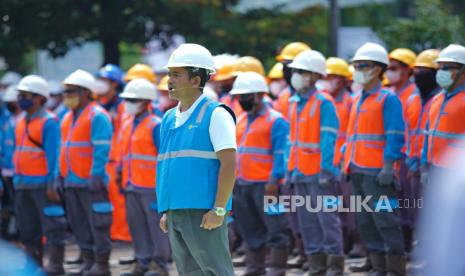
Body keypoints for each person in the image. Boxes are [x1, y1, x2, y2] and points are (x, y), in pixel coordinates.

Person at [156, 43, 236, 276]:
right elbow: (169, 166)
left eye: (177, 75)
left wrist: (219, 209)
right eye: (169, 74)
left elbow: (229, 164)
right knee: (189, 272)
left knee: (215, 271)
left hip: (203, 212)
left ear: (196, 80)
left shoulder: (217, 114)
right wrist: (166, 210)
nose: (169, 80)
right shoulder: (168, 118)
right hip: (175, 211)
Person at [344, 42, 406, 275]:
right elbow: (352, 137)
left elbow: (395, 136)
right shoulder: (358, 98)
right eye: (356, 65)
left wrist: (389, 166)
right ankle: (378, 266)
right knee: (365, 221)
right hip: (358, 169)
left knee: (386, 220)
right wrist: (346, 162)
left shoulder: (387, 99)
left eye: (364, 65)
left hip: (378, 172)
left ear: (378, 69)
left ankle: (395, 269)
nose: (358, 69)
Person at [287, 49, 344, 275]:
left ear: (314, 76)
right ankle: (317, 265)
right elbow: (292, 142)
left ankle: (334, 267)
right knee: (308, 222)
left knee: (327, 220)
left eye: (301, 72)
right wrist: (291, 169)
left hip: (320, 173)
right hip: (300, 172)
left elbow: (329, 140)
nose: (296, 76)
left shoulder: (324, 103)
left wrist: (326, 170)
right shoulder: (294, 102)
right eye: (296, 71)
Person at [231, 72, 290, 275]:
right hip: (243, 184)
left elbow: (281, 154)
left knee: (276, 227)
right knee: (249, 228)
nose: (242, 100)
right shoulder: (240, 120)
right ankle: (254, 267)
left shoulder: (276, 121)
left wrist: (274, 180)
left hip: (267, 185)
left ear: (258, 95)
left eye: (245, 96)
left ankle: (276, 268)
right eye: (239, 97)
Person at [60, 69, 113, 276]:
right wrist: (59, 173)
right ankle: (88, 262)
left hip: (91, 181)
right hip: (72, 181)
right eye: (65, 92)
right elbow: (62, 148)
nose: (67, 96)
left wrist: (96, 174)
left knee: (98, 224)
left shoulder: (97, 115)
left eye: (71, 91)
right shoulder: (66, 117)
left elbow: (102, 149)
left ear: (85, 92)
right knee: (79, 224)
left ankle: (102, 265)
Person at [13, 75, 66, 274]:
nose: (20, 99)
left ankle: (55, 265)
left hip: (43, 185)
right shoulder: (20, 121)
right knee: (27, 229)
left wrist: (53, 183)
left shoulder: (49, 122)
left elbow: (55, 154)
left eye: (24, 95)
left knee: (53, 226)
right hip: (22, 184)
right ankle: (33, 265)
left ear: (38, 97)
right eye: (20, 95)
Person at [117, 78, 170, 276]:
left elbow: (165, 157)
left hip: (151, 186)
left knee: (157, 228)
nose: (128, 103)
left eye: (133, 99)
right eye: (127, 99)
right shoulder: (128, 124)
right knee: (137, 227)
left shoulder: (155, 125)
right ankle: (142, 262)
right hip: (131, 184)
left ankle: (160, 264)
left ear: (145, 101)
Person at [387, 48, 421, 252]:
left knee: (409, 205)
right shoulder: (392, 94)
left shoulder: (413, 95)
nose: (389, 72)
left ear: (408, 70)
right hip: (393, 158)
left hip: (407, 158)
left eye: (394, 68)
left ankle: (408, 247)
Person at [96, 63, 132, 243]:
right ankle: (115, 233)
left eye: (104, 80)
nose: (100, 83)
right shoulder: (100, 103)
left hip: (116, 159)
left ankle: (122, 235)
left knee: (118, 200)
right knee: (109, 200)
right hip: (106, 158)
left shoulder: (120, 105)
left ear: (115, 84)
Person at [421, 44, 465, 177]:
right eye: (439, 67)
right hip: (434, 167)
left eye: (446, 67)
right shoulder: (437, 98)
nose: (441, 72)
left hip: (456, 173)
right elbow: (428, 134)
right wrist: (424, 166)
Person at [1, 85, 22, 240]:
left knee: (22, 206)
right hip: (7, 170)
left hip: (21, 172)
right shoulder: (7, 120)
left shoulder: (24, 120)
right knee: (10, 205)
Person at [273, 42, 311, 120]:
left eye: (291, 65)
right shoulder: (283, 96)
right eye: (285, 65)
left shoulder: (321, 99)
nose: (287, 70)